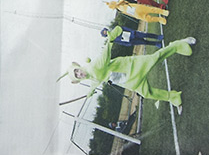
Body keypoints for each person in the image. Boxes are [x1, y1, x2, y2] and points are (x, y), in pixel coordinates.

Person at [66, 27, 196, 108]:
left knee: (156, 58)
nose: (80, 74)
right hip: (130, 81)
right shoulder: (91, 77)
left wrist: (110, 39)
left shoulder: (94, 67)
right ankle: (173, 97)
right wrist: (90, 92)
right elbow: (95, 83)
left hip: (131, 67)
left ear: (80, 67)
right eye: (77, 76)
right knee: (147, 93)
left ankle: (178, 45)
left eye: (77, 71)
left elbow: (104, 55)